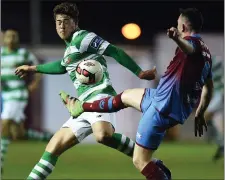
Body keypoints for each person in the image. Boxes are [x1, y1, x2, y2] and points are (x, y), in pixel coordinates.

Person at [60, 8, 213, 180]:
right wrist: (199, 112)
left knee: (140, 161)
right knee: (124, 97)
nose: (176, 26)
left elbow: (189, 49)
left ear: (183, 27)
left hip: (162, 109)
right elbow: (209, 87)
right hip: (159, 97)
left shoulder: (193, 45)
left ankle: (160, 174)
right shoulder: (207, 54)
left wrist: (177, 38)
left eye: (178, 23)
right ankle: (81, 107)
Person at [15, 2, 156, 179]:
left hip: (100, 96)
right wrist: (32, 68)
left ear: (74, 23)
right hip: (83, 105)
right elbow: (61, 66)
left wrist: (140, 72)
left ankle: (150, 163)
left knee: (102, 135)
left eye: (66, 21)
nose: (61, 26)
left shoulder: (84, 38)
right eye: (58, 22)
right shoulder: (69, 49)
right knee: (54, 145)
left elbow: (114, 51)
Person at [1, 29, 53, 173]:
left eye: (14, 36)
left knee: (4, 125)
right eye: (8, 36)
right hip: (6, 95)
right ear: (4, 39)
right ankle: (48, 137)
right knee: (19, 134)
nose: (11, 39)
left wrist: (34, 84)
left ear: (17, 39)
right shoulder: (1, 54)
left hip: (18, 94)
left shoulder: (23, 54)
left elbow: (38, 68)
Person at [205, 56, 224, 161]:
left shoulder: (216, 65)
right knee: (217, 124)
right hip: (218, 96)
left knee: (206, 116)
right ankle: (221, 144)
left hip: (221, 96)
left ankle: (221, 145)